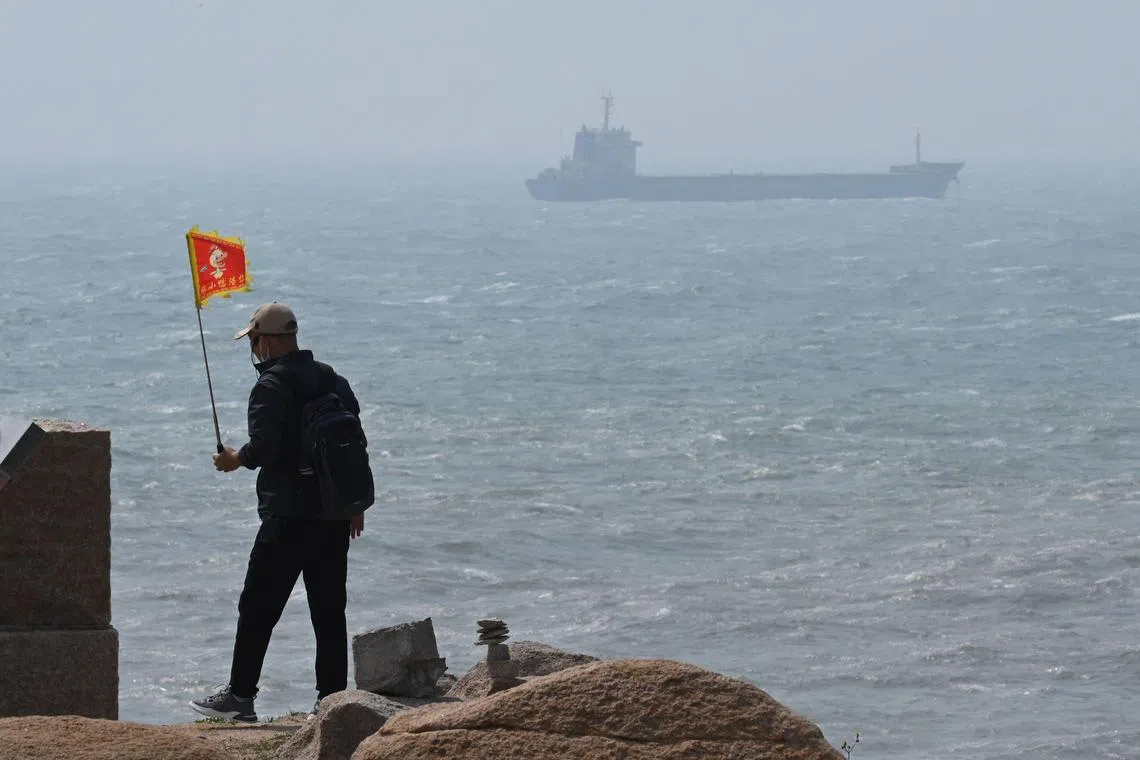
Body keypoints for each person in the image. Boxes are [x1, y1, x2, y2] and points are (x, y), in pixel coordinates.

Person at [190, 302, 365, 723]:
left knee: (257, 606)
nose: (253, 348)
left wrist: (235, 459)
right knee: (328, 610)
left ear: (266, 341)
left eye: (252, 340)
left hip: (287, 517)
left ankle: (240, 697)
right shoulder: (331, 378)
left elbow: (264, 449)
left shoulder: (270, 386)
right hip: (332, 517)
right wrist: (353, 505)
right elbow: (353, 441)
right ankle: (330, 703)